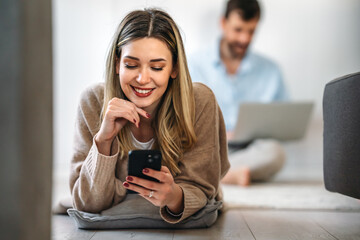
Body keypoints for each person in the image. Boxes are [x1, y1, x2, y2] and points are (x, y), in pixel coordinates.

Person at [69, 8, 229, 225]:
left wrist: (174, 196)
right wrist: (103, 141)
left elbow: (202, 187)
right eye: (131, 65)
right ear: (117, 64)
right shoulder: (93, 101)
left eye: (156, 67)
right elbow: (88, 203)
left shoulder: (200, 101)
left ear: (174, 68)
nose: (143, 79)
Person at [188, 0, 288, 186]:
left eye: (251, 31)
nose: (244, 39)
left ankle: (211, 174)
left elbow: (284, 122)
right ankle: (225, 174)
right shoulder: (194, 64)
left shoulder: (271, 70)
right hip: (209, 146)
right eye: (238, 30)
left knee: (275, 152)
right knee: (182, 150)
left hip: (250, 149)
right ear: (223, 24)